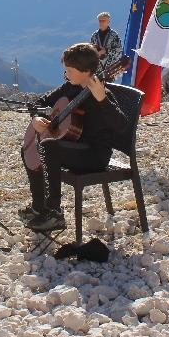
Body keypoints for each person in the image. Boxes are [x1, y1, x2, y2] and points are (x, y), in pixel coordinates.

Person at [21, 43, 127, 232]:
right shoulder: (70, 87)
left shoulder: (103, 94)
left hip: (94, 155)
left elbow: (122, 126)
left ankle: (54, 212)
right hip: (72, 145)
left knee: (47, 146)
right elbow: (40, 102)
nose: (66, 74)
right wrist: (36, 117)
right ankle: (38, 207)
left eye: (70, 70)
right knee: (29, 146)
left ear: (86, 71)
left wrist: (102, 100)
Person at [90, 11, 123, 76]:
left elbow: (119, 51)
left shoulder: (113, 35)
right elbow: (91, 51)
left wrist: (106, 51)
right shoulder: (94, 36)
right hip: (97, 69)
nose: (101, 23)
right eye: (100, 21)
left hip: (110, 69)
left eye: (103, 21)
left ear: (108, 22)